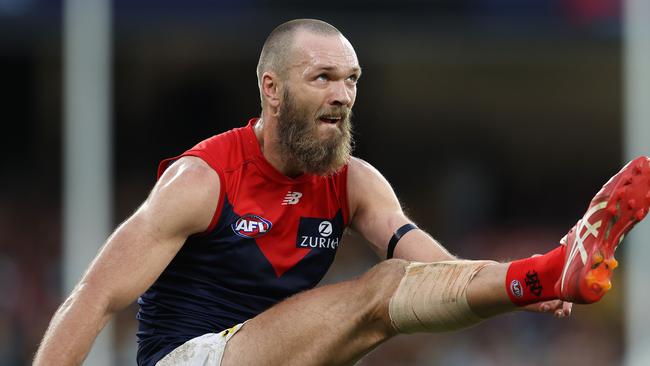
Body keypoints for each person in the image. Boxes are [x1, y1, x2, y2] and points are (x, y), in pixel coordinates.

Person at [34, 19, 650, 366]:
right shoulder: (203, 179)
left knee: (392, 300)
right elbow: (94, 296)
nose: (343, 95)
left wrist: (520, 290)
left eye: (351, 80)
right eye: (322, 77)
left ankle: (545, 272)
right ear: (271, 90)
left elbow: (427, 265)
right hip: (188, 359)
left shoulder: (353, 181)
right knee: (379, 294)